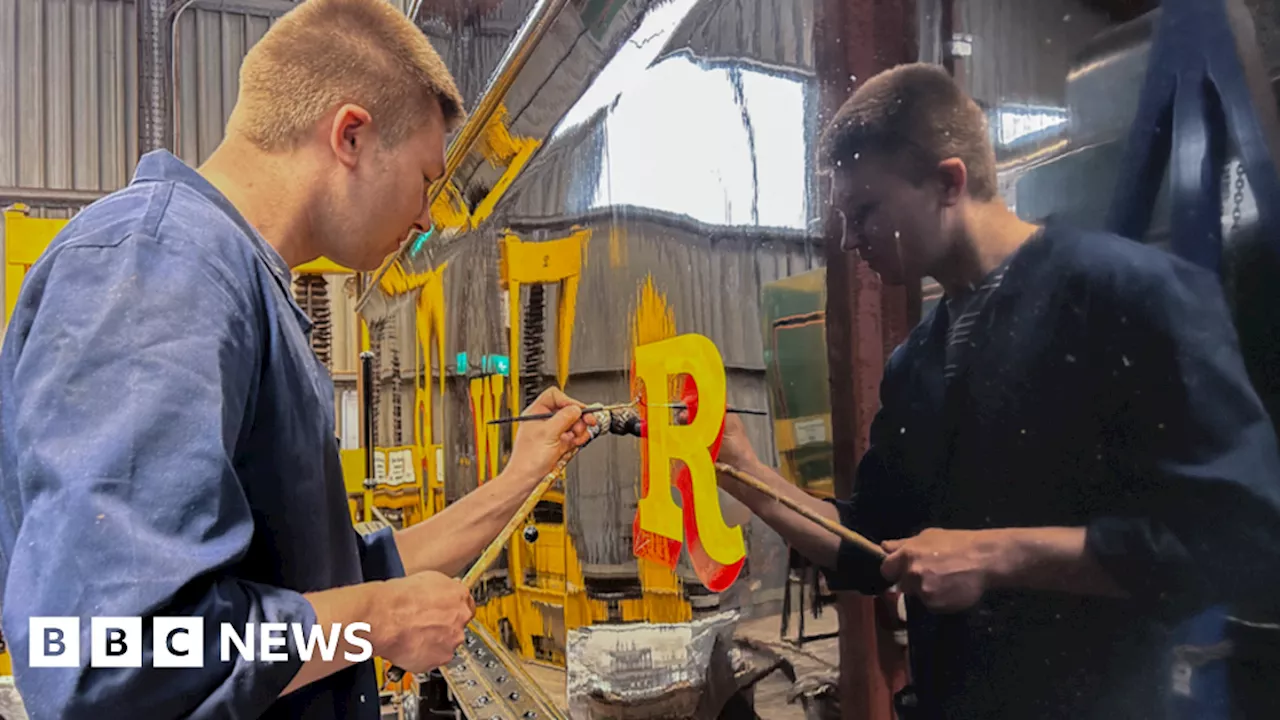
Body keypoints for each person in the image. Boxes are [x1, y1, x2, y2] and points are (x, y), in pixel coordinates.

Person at [0, 0, 595, 718]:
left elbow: (323, 581)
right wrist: (377, 618)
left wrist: (518, 481)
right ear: (350, 135)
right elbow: (111, 652)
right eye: (425, 178)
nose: (426, 217)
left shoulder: (236, 281)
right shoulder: (159, 264)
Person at [712, 63, 1280, 719]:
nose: (848, 240)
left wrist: (997, 556)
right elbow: (869, 545)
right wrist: (742, 472)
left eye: (864, 211)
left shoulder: (1126, 295)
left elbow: (1242, 536)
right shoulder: (917, 362)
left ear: (949, 182)